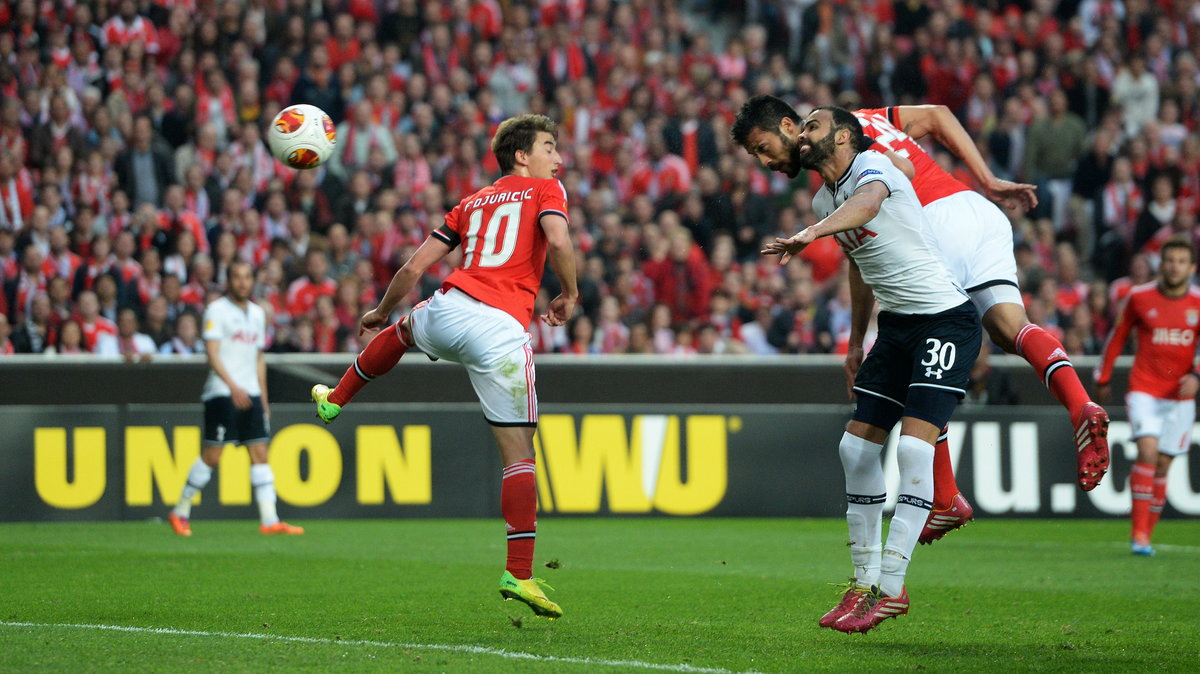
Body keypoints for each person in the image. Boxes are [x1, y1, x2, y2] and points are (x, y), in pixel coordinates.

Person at [310, 114, 576, 619]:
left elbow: (413, 267)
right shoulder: (547, 190)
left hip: (450, 307)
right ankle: (518, 575)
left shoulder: (471, 203)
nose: (557, 158)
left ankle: (334, 400)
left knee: (402, 332)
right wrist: (570, 293)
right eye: (549, 146)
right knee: (519, 456)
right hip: (499, 330)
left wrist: (381, 311)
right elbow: (559, 242)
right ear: (523, 156)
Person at [736, 101, 982, 634]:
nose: (806, 133)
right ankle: (863, 580)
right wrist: (854, 341)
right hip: (895, 330)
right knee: (854, 447)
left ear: (845, 137)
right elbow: (861, 264)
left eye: (818, 125)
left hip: (944, 320)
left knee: (916, 447)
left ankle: (891, 587)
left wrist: (811, 233)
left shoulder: (873, 169)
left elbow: (869, 206)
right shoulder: (826, 195)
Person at [849, 102, 1111, 542]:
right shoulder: (872, 116)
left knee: (917, 343)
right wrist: (987, 180)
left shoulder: (840, 158)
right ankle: (1079, 402)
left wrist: (856, 342)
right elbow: (937, 113)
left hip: (931, 221)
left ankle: (946, 496)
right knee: (1011, 327)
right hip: (976, 208)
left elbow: (860, 253)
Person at [167, 261, 303, 537]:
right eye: (237, 277)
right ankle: (180, 511)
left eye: (246, 277)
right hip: (221, 392)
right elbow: (212, 353)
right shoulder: (216, 310)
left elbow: (258, 358)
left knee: (260, 453)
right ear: (229, 281)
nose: (242, 282)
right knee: (213, 455)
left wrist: (263, 399)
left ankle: (269, 520)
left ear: (252, 281)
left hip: (251, 392)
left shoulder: (256, 313)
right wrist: (233, 387)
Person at [1094, 237, 1200, 557]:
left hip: (1180, 395)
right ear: (1161, 264)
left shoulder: (1198, 302)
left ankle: (1147, 533)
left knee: (1164, 464)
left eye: (1182, 261)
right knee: (1148, 451)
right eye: (1170, 260)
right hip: (1145, 388)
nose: (1174, 266)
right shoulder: (1140, 298)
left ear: (1191, 268)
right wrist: (1103, 376)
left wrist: (1196, 375)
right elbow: (1118, 336)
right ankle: (1138, 534)